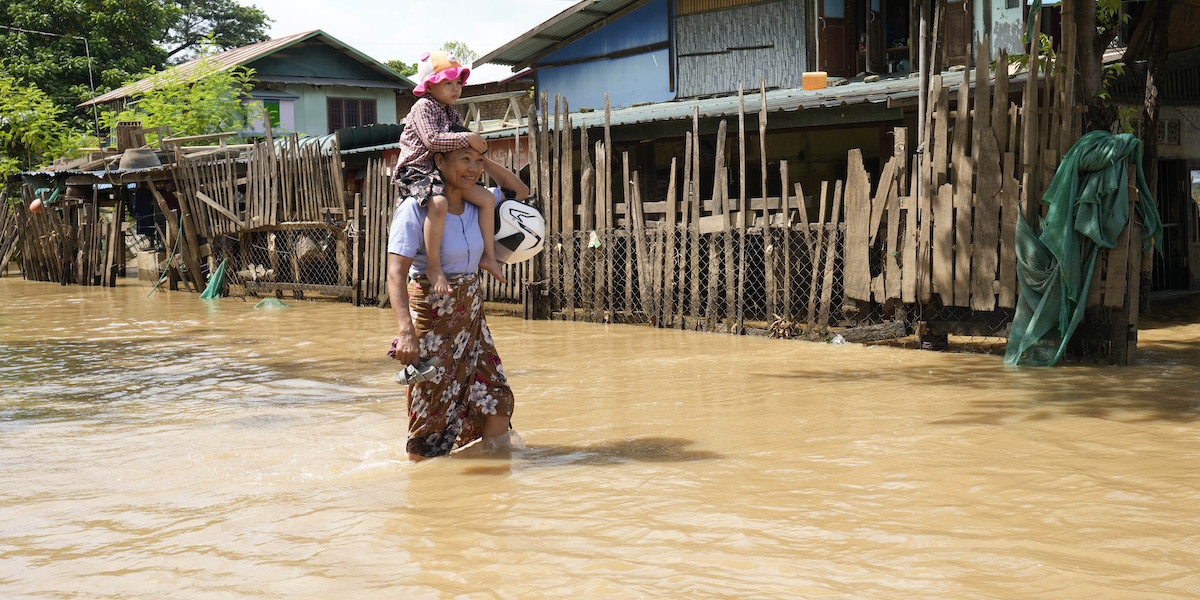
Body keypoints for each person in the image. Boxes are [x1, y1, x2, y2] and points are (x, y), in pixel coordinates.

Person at [386, 141, 530, 462]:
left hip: (472, 318)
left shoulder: (480, 203)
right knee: (431, 414)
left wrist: (482, 161)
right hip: (433, 319)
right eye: (464, 159)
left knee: (496, 399)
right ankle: (426, 489)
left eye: (477, 162)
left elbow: (519, 191)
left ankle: (491, 480)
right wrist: (406, 332)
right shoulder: (416, 208)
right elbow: (396, 274)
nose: (473, 168)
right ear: (439, 160)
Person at [392, 49, 505, 297]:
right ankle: (434, 267)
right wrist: (468, 137)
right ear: (429, 86)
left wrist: (476, 150)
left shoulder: (452, 111)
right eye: (448, 83)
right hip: (416, 170)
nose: (455, 88)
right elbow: (433, 140)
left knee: (486, 199)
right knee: (440, 204)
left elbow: (460, 143)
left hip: (438, 171)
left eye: (458, 83)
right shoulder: (423, 106)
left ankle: (488, 256)